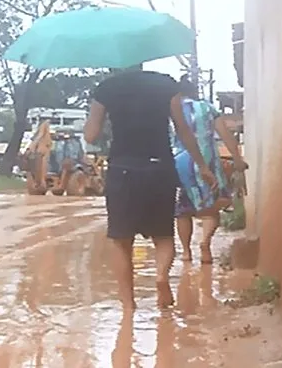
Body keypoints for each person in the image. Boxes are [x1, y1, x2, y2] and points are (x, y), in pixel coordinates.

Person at [83, 68, 217, 309]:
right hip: (161, 167)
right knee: (163, 235)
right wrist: (202, 166)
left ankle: (128, 305)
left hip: (122, 169)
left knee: (121, 240)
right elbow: (183, 130)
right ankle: (161, 277)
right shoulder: (165, 83)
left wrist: (104, 119)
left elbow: (91, 136)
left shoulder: (107, 88)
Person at [172, 77, 248, 264]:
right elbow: (226, 135)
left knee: (183, 210)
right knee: (212, 208)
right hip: (208, 162)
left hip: (181, 163)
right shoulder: (207, 108)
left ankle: (186, 252)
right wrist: (237, 160)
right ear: (194, 92)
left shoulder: (171, 109)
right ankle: (205, 243)